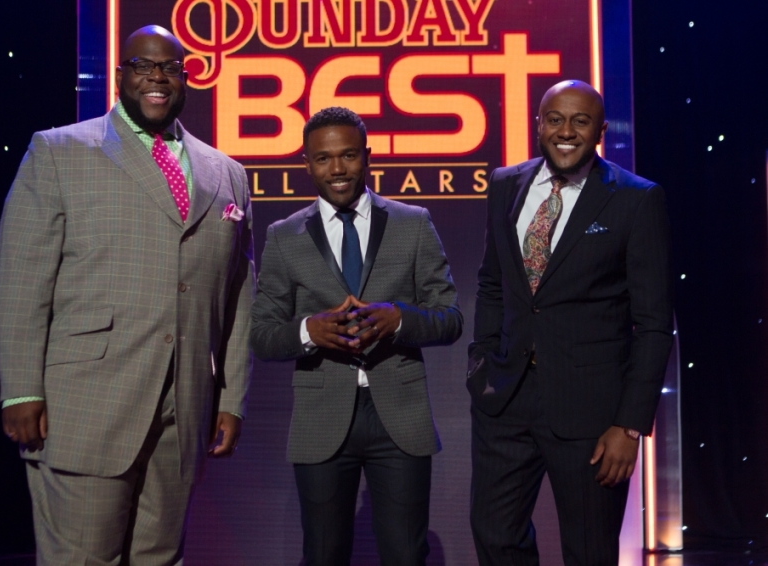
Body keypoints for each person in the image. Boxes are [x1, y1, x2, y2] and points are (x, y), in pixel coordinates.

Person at [0, 25, 254, 565]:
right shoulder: (59, 151)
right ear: (119, 76)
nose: (158, 77)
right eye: (143, 65)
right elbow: (19, 278)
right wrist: (19, 390)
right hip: (86, 406)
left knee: (160, 558)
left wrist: (230, 398)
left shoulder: (227, 172)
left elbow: (239, 297)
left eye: (170, 68)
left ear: (185, 78)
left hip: (185, 408)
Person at [467, 80, 673, 565]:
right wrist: (482, 361)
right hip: (506, 399)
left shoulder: (636, 199)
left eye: (581, 122)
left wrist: (629, 425)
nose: (566, 131)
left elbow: (653, 324)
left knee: (589, 551)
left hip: (592, 414)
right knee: (495, 536)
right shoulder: (505, 184)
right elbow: (493, 283)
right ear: (538, 125)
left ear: (600, 132)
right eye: (555, 120)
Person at [250, 107, 462, 565]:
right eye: (323, 158)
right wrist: (310, 330)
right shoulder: (284, 236)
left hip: (399, 418)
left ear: (368, 156)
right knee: (323, 555)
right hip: (321, 418)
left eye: (348, 155)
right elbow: (262, 336)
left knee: (406, 555)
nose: (337, 169)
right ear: (307, 164)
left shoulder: (412, 222)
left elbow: (450, 317)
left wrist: (399, 319)